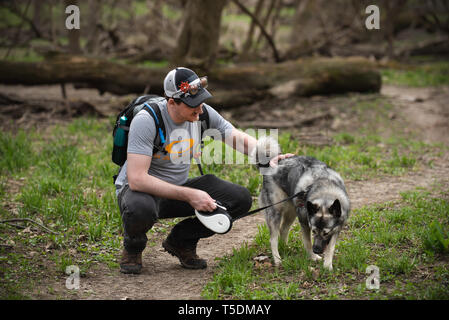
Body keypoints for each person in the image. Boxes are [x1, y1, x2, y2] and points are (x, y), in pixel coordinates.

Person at [115, 67, 291, 274]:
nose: (199, 110)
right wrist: (190, 195)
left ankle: (181, 241)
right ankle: (133, 248)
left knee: (240, 198)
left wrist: (269, 156)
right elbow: (137, 179)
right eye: (192, 105)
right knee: (139, 207)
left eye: (201, 101)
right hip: (141, 193)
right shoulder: (147, 120)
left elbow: (237, 138)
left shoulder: (202, 113)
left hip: (176, 189)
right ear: (172, 102)